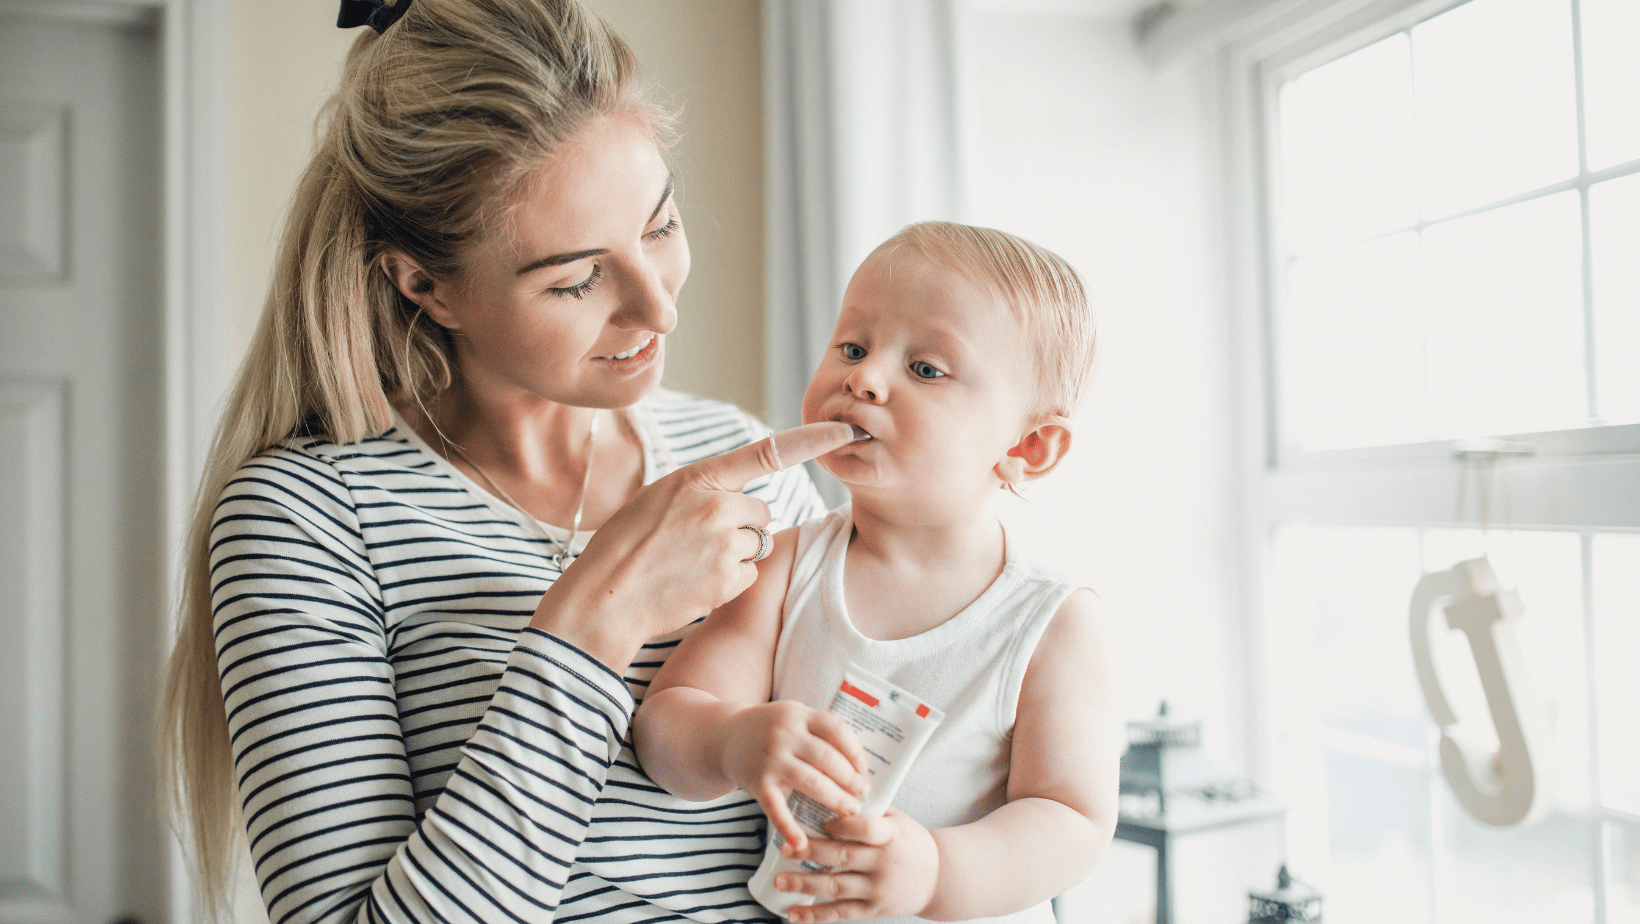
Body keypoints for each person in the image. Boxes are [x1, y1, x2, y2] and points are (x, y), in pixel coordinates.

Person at [157, 2, 859, 923]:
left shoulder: (742, 460)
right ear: (426, 284)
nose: (659, 310)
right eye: (576, 279)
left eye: (659, 227)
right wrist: (594, 624)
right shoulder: (306, 520)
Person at [633, 221, 1119, 924]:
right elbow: (665, 727)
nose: (862, 377)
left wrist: (935, 872)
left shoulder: (1053, 622)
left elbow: (1070, 818)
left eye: (924, 369)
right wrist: (733, 741)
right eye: (853, 347)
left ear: (1031, 445)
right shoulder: (783, 567)